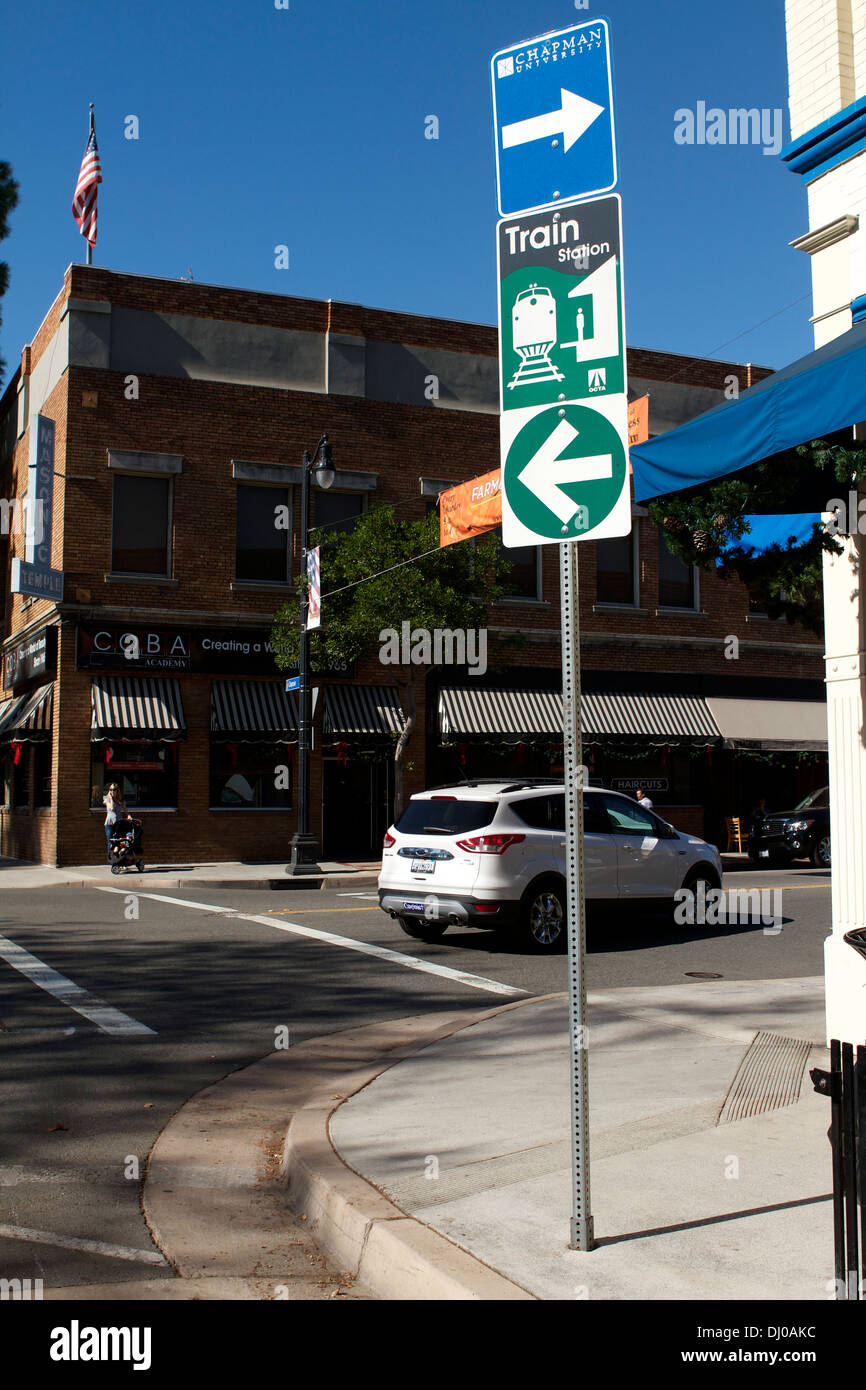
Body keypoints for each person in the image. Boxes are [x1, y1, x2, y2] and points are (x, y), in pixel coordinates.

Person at [102, 782, 128, 861]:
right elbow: (112, 808)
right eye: (111, 790)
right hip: (109, 824)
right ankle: (112, 859)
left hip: (119, 824)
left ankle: (120, 858)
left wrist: (129, 816)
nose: (112, 791)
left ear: (117, 791)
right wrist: (110, 798)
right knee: (110, 842)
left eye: (114, 790)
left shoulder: (120, 800)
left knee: (120, 841)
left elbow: (125, 810)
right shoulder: (106, 799)